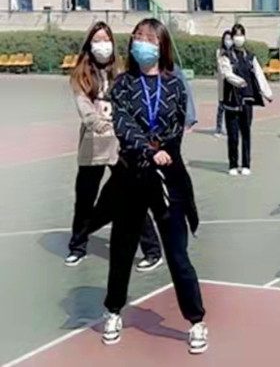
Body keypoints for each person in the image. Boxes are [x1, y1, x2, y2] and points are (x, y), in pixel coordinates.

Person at [104, 18, 207, 353]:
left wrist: (164, 150)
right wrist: (148, 151)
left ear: (161, 45)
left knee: (177, 252)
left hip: (168, 176)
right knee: (122, 248)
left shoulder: (174, 84)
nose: (141, 43)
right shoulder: (123, 84)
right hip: (132, 173)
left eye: (149, 38)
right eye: (137, 37)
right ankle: (113, 311)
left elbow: (177, 126)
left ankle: (196, 320)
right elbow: (122, 124)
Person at [65, 22, 163, 272]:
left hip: (120, 146)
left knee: (134, 196)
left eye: (106, 39)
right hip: (93, 147)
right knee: (85, 199)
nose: (103, 45)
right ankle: (78, 246)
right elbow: (85, 109)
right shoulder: (80, 76)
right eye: (97, 40)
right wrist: (100, 124)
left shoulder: (122, 73)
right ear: (89, 45)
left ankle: (152, 250)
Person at [218, 24, 273, 176]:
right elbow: (227, 74)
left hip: (247, 100)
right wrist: (239, 81)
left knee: (246, 133)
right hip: (232, 101)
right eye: (236, 35)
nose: (238, 38)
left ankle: (246, 164)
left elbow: (259, 75)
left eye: (241, 35)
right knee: (233, 135)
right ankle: (233, 164)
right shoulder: (225, 56)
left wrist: (267, 93)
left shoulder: (250, 56)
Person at [214, 30, 233, 137]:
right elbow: (221, 66)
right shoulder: (220, 52)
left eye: (230, 39)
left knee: (232, 107)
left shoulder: (235, 52)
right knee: (221, 107)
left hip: (233, 83)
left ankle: (231, 128)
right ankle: (218, 128)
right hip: (223, 83)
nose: (228, 41)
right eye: (226, 39)